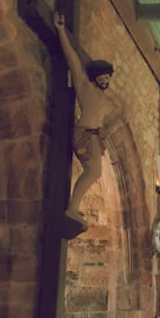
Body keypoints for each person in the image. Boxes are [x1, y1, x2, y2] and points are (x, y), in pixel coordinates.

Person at [54, 12, 120, 231]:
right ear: (95, 76)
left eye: (108, 76)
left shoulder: (103, 97)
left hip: (95, 135)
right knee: (93, 172)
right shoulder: (84, 85)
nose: (106, 79)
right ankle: (71, 209)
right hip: (85, 132)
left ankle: (73, 207)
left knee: (95, 173)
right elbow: (72, 57)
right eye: (102, 76)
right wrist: (61, 30)